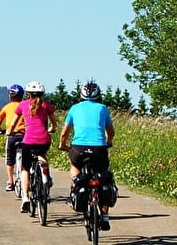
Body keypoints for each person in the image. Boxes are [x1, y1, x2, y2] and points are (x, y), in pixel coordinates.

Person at [57, 81, 115, 229]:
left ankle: (76, 186)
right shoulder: (103, 108)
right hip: (99, 149)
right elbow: (110, 132)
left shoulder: (74, 108)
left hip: (79, 148)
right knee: (103, 179)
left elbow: (64, 133)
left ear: (81, 94)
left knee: (75, 165)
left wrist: (63, 145)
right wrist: (108, 142)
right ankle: (105, 216)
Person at [6, 80, 56, 215]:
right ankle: (46, 177)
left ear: (28, 94)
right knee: (42, 155)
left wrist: (9, 131)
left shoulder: (22, 105)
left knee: (25, 168)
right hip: (44, 140)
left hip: (28, 141)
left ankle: (25, 198)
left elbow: (13, 124)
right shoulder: (47, 106)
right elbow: (54, 124)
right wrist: (51, 129)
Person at [0, 84, 27, 191]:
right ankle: (28, 181)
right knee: (27, 159)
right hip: (25, 136)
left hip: (12, 136)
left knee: (9, 159)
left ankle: (10, 181)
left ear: (11, 96)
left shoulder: (7, 107)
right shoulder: (26, 105)